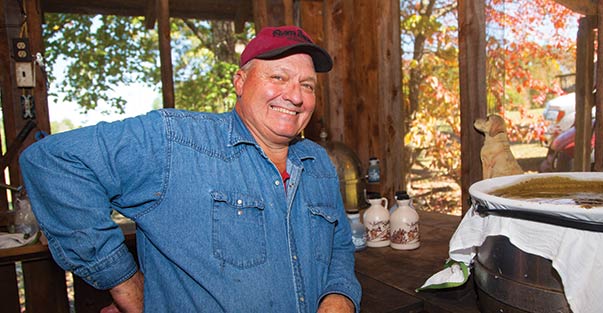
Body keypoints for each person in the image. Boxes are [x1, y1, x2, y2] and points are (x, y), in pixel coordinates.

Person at [19, 25, 362, 313]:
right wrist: (123, 282)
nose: (295, 96)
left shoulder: (317, 163)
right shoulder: (175, 142)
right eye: (279, 76)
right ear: (240, 82)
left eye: (307, 85)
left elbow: (340, 249)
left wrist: (340, 296)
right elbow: (52, 162)